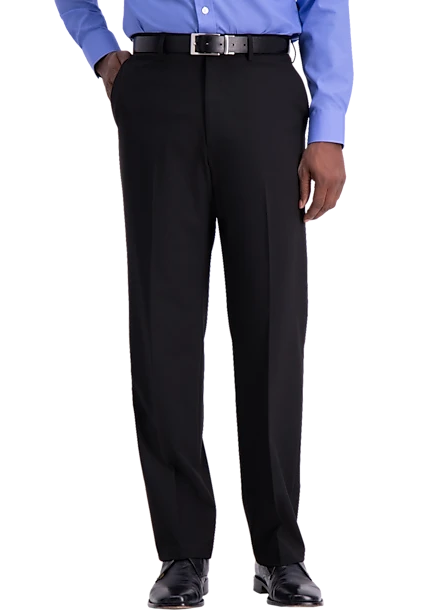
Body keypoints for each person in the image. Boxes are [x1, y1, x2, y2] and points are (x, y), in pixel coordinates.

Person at [54, 1, 353, 607]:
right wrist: (103, 53)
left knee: (272, 319)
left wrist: (327, 129)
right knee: (162, 321)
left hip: (264, 88)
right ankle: (181, 553)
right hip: (156, 87)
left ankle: (279, 552)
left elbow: (324, 4)